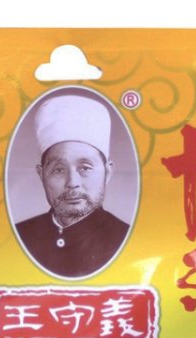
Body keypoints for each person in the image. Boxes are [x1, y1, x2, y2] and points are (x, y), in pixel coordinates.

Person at [15, 94, 130, 278]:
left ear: (107, 172)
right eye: (59, 170)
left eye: (85, 168)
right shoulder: (17, 237)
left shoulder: (127, 238)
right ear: (41, 174)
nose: (72, 183)